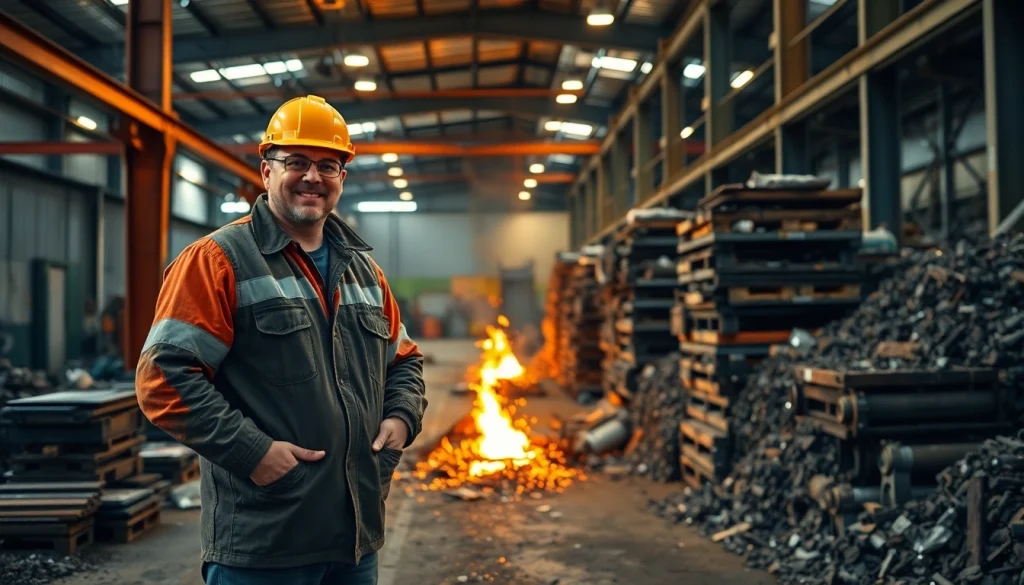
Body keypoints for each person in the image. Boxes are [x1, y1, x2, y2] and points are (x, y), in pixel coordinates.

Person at [135, 95, 428, 585]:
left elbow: (405, 361)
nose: (313, 176)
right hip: (264, 543)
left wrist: (401, 418)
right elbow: (163, 378)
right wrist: (252, 452)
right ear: (266, 170)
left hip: (356, 539)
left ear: (342, 178)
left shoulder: (364, 272)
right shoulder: (218, 260)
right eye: (296, 162)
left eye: (328, 165)